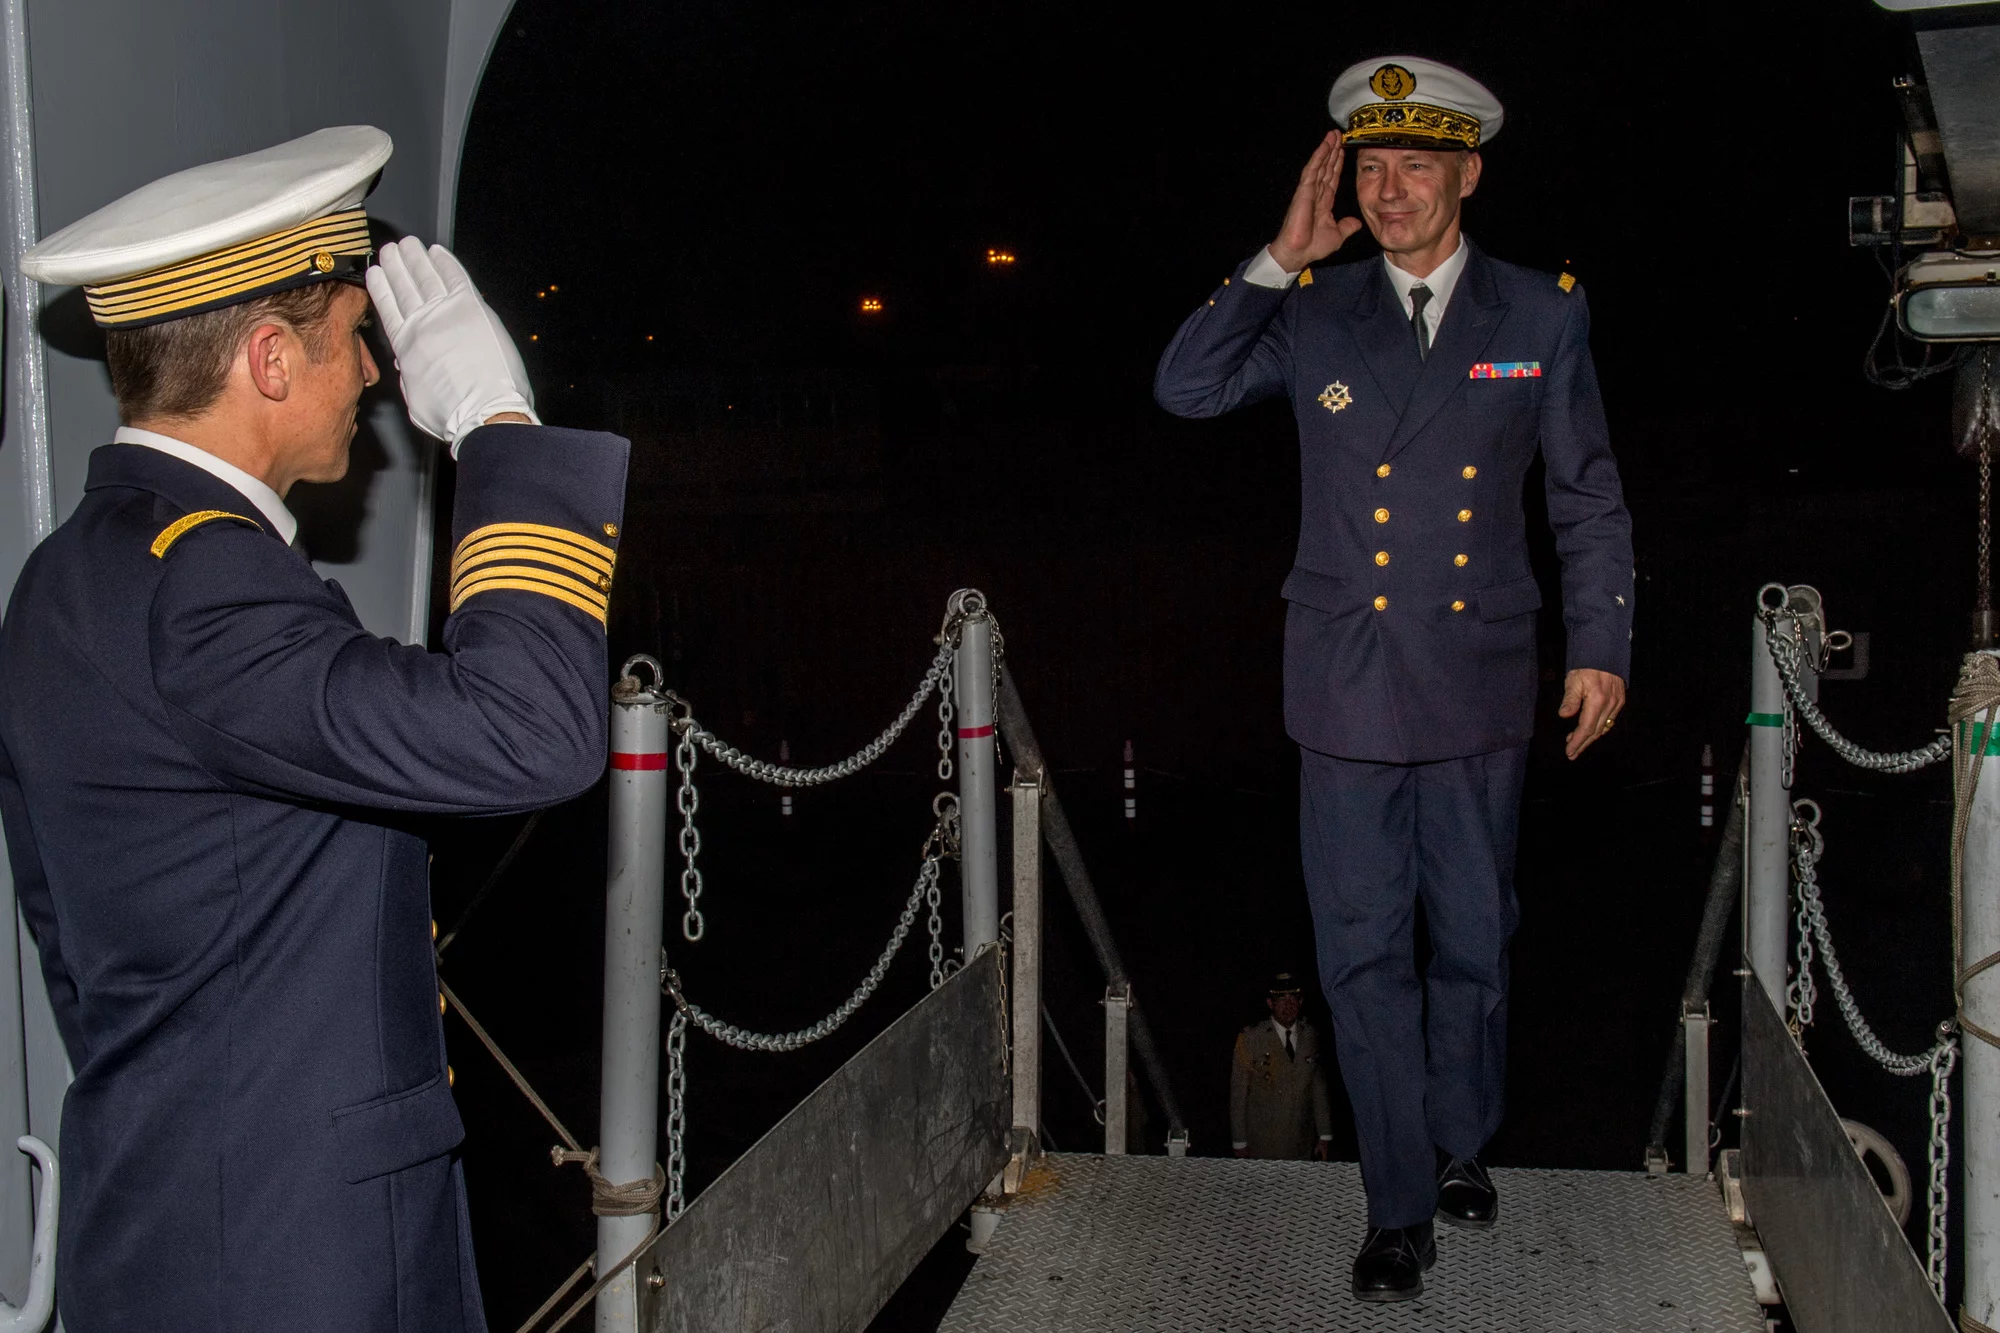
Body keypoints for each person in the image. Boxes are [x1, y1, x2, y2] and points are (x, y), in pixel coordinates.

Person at [0, 126, 630, 1332]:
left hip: (167, 1217)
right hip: (296, 1260)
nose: (377, 375)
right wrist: (499, 429)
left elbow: (74, 946)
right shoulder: (208, 590)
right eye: (353, 340)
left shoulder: (67, 578)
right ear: (271, 360)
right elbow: (532, 731)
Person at [1155, 57, 1634, 1302]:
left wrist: (1600, 646)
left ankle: (1461, 1137)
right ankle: (1396, 1204)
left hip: (1477, 673)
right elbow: (1186, 387)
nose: (1390, 188)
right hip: (1344, 686)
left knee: (1472, 941)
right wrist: (1276, 255)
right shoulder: (1315, 307)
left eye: (1414, 164)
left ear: (1465, 175)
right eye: (1369, 166)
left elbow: (1583, 492)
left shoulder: (1538, 313)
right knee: (1360, 953)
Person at [1229, 972, 1334, 1161]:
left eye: (1293, 998)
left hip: (1301, 1143)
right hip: (1262, 1145)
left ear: (1300, 1002)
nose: (1288, 1005)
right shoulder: (1252, 1038)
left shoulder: (1310, 1035)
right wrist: (1239, 1143)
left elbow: (1318, 1088)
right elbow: (1238, 1095)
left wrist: (1324, 1135)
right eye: (1281, 999)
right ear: (1271, 1003)